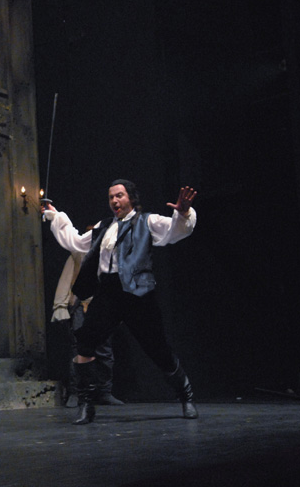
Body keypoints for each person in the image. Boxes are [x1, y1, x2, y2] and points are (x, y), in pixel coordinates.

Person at [42, 180, 198, 424]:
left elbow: (174, 232)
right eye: (111, 197)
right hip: (108, 292)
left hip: (138, 293)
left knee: (158, 350)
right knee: (85, 342)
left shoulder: (147, 221)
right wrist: (56, 216)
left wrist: (184, 212)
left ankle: (185, 395)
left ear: (131, 198)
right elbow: (76, 242)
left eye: (119, 195)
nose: (114, 200)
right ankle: (86, 404)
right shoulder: (104, 227)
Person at [52, 250, 123, 407]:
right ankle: (76, 393)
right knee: (78, 349)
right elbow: (66, 278)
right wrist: (60, 305)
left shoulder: (112, 254)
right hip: (80, 305)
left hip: (102, 304)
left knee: (104, 348)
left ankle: (104, 392)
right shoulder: (78, 254)